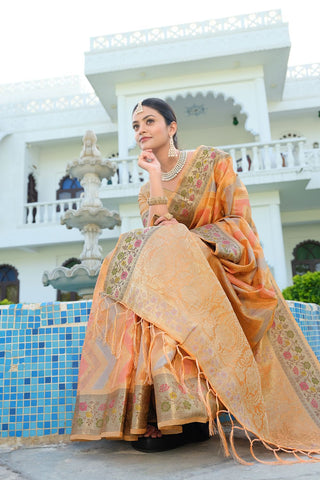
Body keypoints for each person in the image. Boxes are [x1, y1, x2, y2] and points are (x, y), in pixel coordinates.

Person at [71, 98, 320, 463]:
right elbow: (157, 230)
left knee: (164, 251)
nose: (141, 130)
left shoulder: (213, 162)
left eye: (149, 121)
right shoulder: (146, 191)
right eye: (135, 125)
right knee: (135, 254)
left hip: (223, 262)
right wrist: (154, 175)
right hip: (174, 273)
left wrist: (193, 240)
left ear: (172, 127)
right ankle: (166, 410)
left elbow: (240, 221)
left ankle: (189, 412)